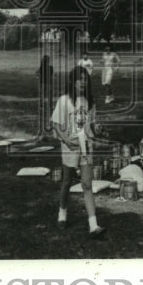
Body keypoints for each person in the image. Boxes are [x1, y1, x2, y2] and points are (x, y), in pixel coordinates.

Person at [51, 67, 105, 238]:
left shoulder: (90, 102)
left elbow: (92, 126)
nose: (82, 82)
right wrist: (66, 140)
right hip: (69, 146)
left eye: (85, 79)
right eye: (79, 79)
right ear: (72, 82)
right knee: (67, 181)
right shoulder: (64, 101)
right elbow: (56, 125)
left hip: (86, 147)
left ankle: (93, 225)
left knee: (87, 184)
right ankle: (62, 214)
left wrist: (99, 129)